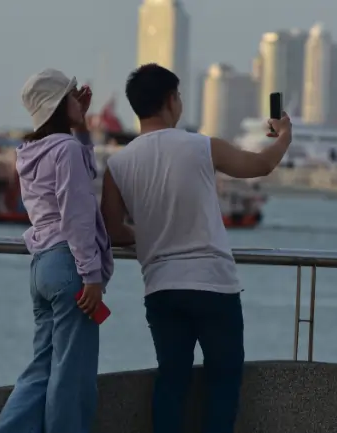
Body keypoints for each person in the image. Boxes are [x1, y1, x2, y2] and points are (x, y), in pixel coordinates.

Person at [100, 63, 292, 433]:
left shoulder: (118, 165)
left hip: (160, 286)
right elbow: (262, 164)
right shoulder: (202, 146)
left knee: (171, 381)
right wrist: (283, 136)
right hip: (212, 283)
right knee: (223, 379)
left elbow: (111, 230)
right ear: (171, 100)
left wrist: (151, 234)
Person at [0, 68, 113, 433]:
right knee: (72, 374)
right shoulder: (67, 149)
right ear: (60, 104)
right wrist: (91, 275)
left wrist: (82, 123)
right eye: (72, 95)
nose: (79, 98)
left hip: (42, 267)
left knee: (41, 368)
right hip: (70, 265)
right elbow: (77, 214)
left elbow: (82, 169)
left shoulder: (30, 151)